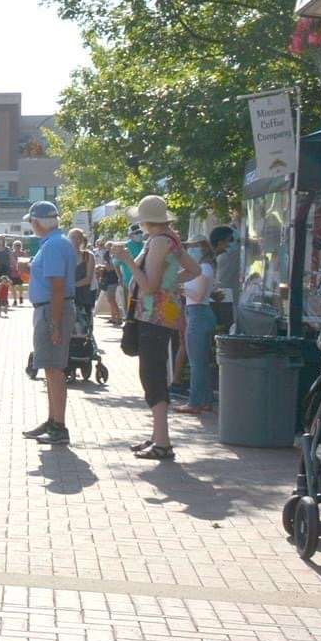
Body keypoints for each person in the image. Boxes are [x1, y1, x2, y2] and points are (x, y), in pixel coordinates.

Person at [126, 195, 201, 462]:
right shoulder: (171, 239)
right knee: (154, 373)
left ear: (146, 220)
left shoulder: (158, 242)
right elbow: (193, 270)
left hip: (152, 317)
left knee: (152, 376)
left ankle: (163, 442)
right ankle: (158, 436)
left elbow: (148, 286)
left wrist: (127, 260)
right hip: (164, 316)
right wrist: (171, 283)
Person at [23, 201, 79, 446]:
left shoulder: (54, 244)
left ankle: (58, 425)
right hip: (49, 309)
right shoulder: (56, 242)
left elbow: (57, 286)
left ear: (37, 222)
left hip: (51, 310)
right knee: (50, 367)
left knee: (54, 369)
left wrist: (55, 323)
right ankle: (53, 420)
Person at [175, 237, 218, 416]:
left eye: (193, 247)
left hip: (198, 313)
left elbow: (198, 295)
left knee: (196, 363)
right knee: (201, 362)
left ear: (202, 248)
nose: (190, 250)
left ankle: (195, 402)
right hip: (198, 313)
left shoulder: (204, 268)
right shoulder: (202, 267)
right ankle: (205, 400)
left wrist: (180, 289)